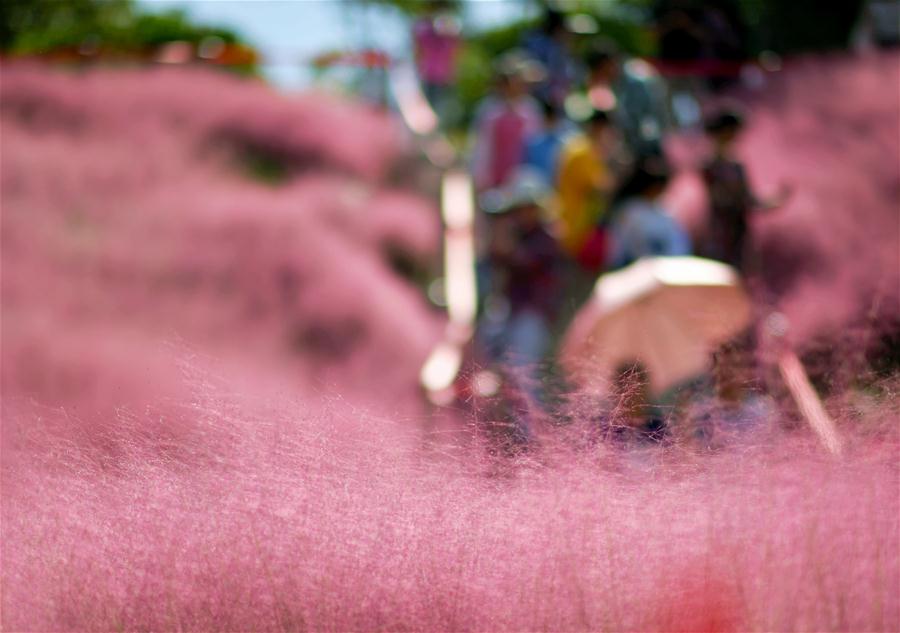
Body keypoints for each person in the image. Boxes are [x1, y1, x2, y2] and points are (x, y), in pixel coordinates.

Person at [477, 169, 563, 407]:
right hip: (513, 312)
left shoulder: (545, 239)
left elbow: (519, 261)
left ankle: (530, 438)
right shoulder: (521, 235)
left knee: (524, 378)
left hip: (533, 315)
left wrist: (503, 237)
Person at [700, 110, 790, 273]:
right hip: (720, 234)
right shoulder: (709, 166)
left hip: (735, 232)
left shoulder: (735, 166)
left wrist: (773, 201)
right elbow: (726, 198)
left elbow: (746, 198)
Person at [585, 41, 671, 160]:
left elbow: (646, 118)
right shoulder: (622, 78)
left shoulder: (635, 79)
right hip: (642, 143)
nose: (602, 76)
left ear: (606, 64)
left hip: (650, 146)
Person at [469, 53, 542, 191]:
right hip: (492, 180)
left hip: (520, 181)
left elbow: (533, 144)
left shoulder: (531, 109)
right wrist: (480, 180)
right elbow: (480, 147)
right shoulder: (489, 109)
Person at [556, 109, 617, 261]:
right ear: (601, 127)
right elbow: (601, 188)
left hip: (571, 223)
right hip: (578, 229)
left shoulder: (576, 146)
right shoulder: (584, 151)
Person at [607, 161, 692, 269]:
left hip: (666, 269)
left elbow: (678, 245)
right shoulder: (630, 211)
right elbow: (618, 250)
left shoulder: (663, 208)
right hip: (634, 270)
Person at [412, 0, 461, 122]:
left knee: (441, 111)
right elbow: (417, 48)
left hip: (443, 76)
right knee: (426, 112)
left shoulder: (450, 26)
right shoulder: (423, 27)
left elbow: (455, 50)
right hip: (427, 74)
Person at [521, 99, 577, 189]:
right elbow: (527, 170)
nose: (551, 121)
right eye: (549, 118)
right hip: (538, 190)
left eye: (553, 118)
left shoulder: (567, 144)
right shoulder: (532, 143)